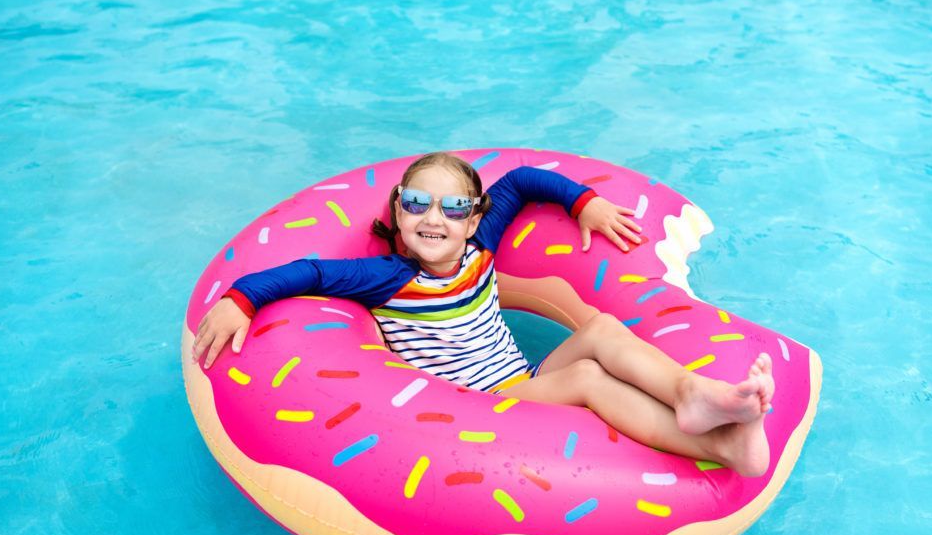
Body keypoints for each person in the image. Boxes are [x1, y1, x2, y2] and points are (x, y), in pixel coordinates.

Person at [193, 152, 774, 476]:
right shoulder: (386, 278)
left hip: (521, 384)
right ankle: (719, 446)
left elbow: (521, 181)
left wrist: (584, 202)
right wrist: (241, 298)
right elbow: (310, 273)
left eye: (454, 209)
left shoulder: (482, 252)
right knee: (587, 377)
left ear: (474, 220)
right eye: (417, 203)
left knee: (599, 327)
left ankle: (692, 391)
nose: (434, 219)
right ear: (398, 213)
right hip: (475, 409)